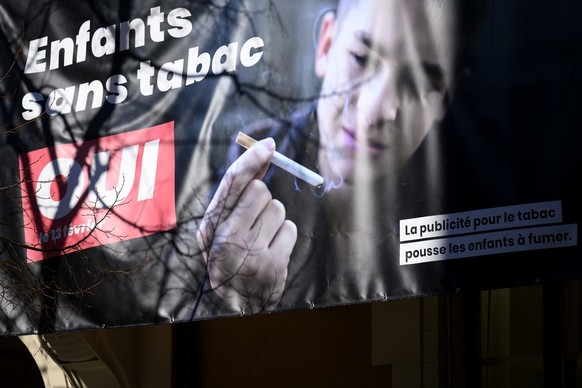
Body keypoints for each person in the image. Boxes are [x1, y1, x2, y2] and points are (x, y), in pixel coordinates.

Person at [196, 0, 486, 314]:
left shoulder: (463, 214)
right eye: (361, 59)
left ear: (446, 99)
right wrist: (222, 297)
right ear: (326, 45)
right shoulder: (236, 170)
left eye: (417, 83)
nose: (374, 111)